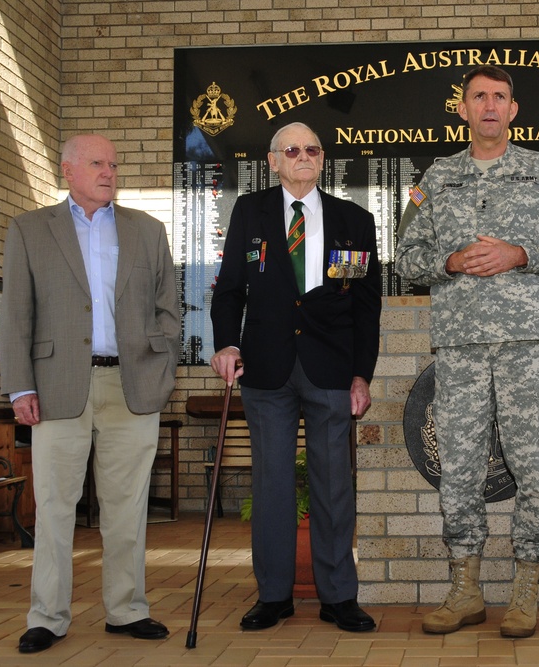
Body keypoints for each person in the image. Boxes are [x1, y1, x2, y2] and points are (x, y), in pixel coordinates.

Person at [394, 65, 539, 639]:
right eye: (478, 96)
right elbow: (406, 258)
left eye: (499, 97)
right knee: (458, 467)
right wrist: (449, 262)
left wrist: (521, 254)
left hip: (527, 344)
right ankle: (466, 589)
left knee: (532, 465)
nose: (489, 106)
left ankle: (525, 588)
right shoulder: (438, 177)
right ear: (462, 108)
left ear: (513, 109)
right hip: (460, 347)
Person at [0, 134, 180, 654]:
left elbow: (169, 307)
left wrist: (161, 366)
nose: (109, 172)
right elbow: (15, 315)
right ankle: (47, 616)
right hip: (56, 386)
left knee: (128, 507)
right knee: (55, 505)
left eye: (114, 164)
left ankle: (126, 610)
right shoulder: (30, 230)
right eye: (98, 163)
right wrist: (20, 385)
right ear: (68, 171)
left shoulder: (147, 231)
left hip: (131, 384)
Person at [210, 121, 381, 633]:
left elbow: (365, 308)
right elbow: (230, 289)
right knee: (273, 484)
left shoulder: (355, 219)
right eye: (292, 150)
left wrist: (361, 374)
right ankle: (274, 595)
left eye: (311, 149)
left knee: (333, 486)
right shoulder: (250, 211)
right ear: (273, 161)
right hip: (266, 367)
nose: (302, 156)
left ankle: (338, 597)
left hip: (330, 368)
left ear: (322, 158)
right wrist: (226, 342)